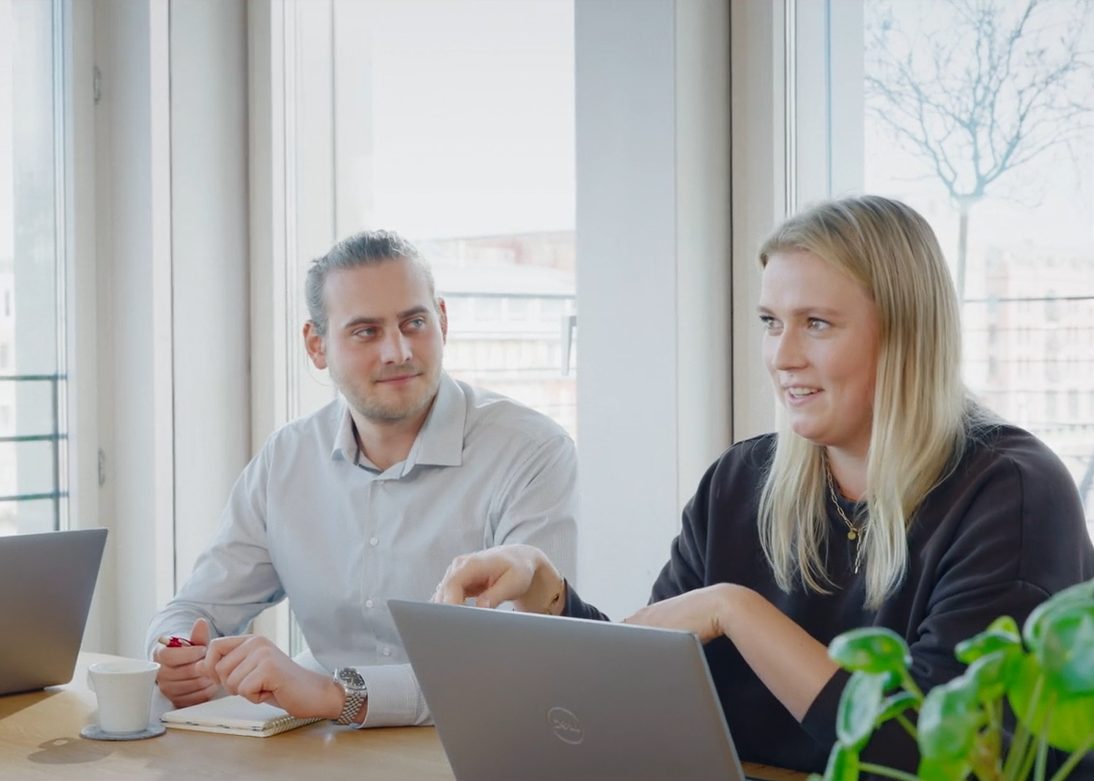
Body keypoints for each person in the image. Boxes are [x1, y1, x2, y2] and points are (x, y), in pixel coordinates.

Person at [433, 196, 1094, 773]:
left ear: (905, 335)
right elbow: (647, 689)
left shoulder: (1012, 491)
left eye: (817, 323)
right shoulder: (739, 482)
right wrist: (548, 590)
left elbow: (924, 757)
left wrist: (737, 610)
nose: (782, 356)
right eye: (771, 321)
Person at [147, 230, 577, 728]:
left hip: (481, 744)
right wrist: (174, 653)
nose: (397, 351)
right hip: (324, 747)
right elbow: (197, 606)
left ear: (442, 321)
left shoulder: (533, 452)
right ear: (316, 345)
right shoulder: (286, 458)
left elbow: (528, 660)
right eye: (366, 332)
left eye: (414, 323)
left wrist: (337, 694)